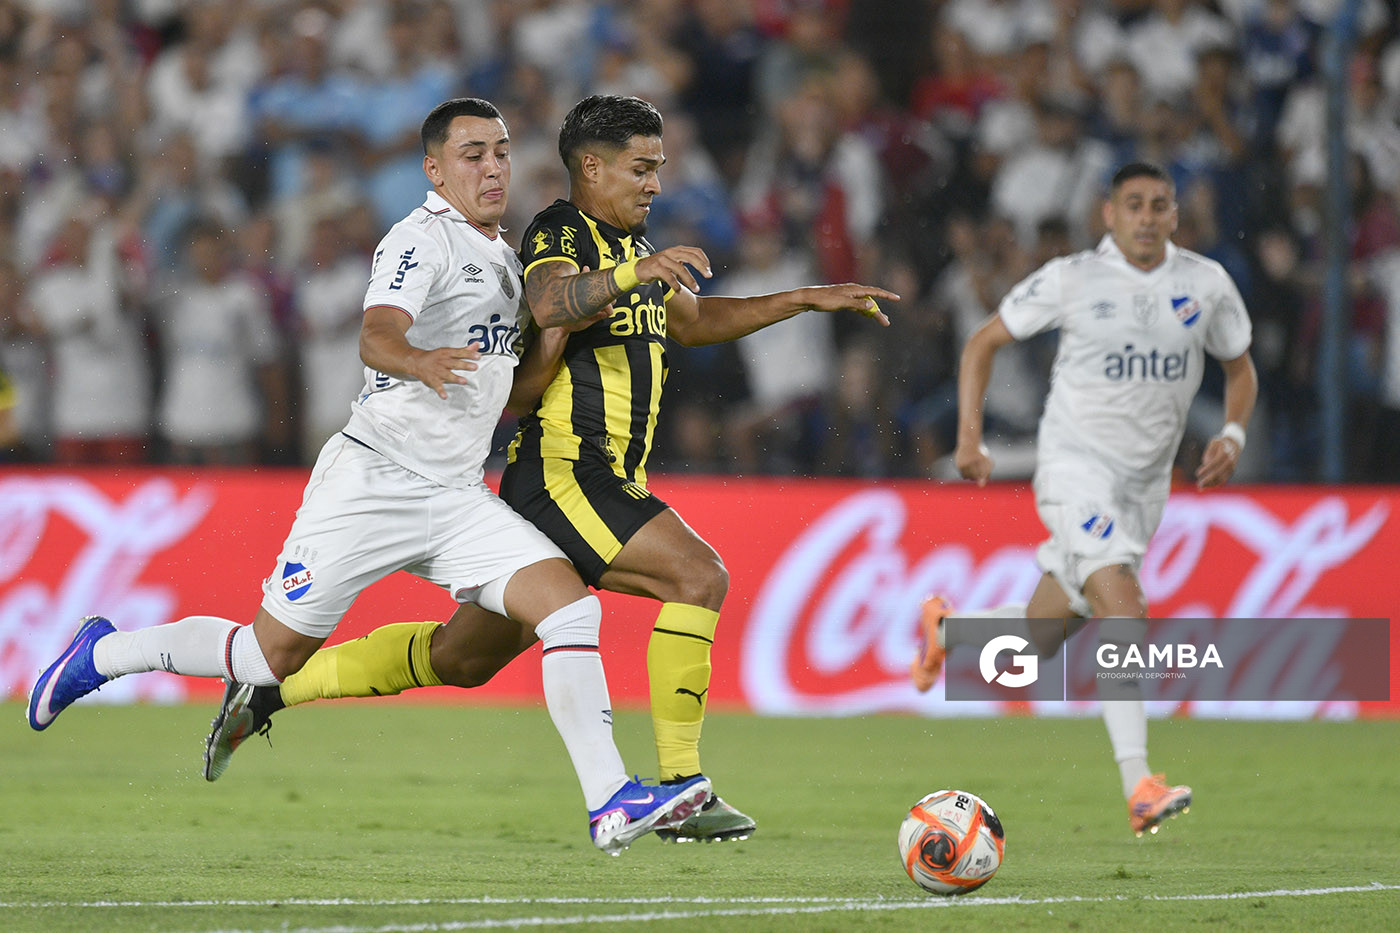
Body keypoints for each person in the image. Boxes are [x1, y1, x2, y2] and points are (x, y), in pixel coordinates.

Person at [205, 94, 899, 844]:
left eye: (658, 169)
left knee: (459, 659)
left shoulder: (633, 248)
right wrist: (635, 275)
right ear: (592, 168)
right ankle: (682, 786)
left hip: (595, 480)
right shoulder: (559, 232)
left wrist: (802, 298)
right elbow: (551, 298)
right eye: (642, 168)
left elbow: (693, 320)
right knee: (698, 575)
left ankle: (273, 689)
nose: (655, 184)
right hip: (565, 471)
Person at [27, 97, 711, 857]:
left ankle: (609, 800)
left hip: (454, 496)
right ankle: (101, 653)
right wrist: (416, 357)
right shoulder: (420, 240)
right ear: (433, 168)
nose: (492, 168)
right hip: (373, 482)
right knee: (263, 656)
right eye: (472, 155)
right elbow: (376, 335)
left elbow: (510, 394)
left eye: (502, 152)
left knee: (568, 608)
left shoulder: (503, 259)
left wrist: (549, 345)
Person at [910, 161, 1257, 837]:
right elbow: (983, 341)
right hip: (1074, 468)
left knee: (1043, 634)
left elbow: (1239, 365)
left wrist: (1235, 434)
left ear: (1176, 215)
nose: (1148, 216)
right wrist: (970, 439)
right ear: (1109, 213)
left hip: (1144, 486)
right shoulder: (1073, 279)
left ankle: (946, 632)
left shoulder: (1206, 283)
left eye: (1161, 204)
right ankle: (1140, 784)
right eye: (1134, 204)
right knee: (1121, 600)